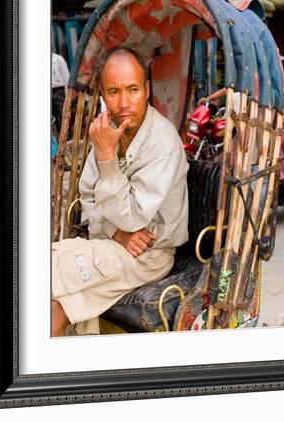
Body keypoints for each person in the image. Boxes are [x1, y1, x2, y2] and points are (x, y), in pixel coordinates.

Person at [51, 47, 189, 336]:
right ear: (102, 94)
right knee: (58, 302)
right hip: (112, 242)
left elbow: (134, 217)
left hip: (150, 254)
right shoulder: (108, 130)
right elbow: (87, 193)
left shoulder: (162, 142)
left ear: (147, 90)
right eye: (114, 92)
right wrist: (115, 233)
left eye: (133, 90)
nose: (124, 102)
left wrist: (106, 157)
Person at [52, 52, 70, 132]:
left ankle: (67, 136)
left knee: (63, 114)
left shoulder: (58, 59)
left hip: (59, 91)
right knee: (53, 117)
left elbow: (66, 76)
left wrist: (68, 94)